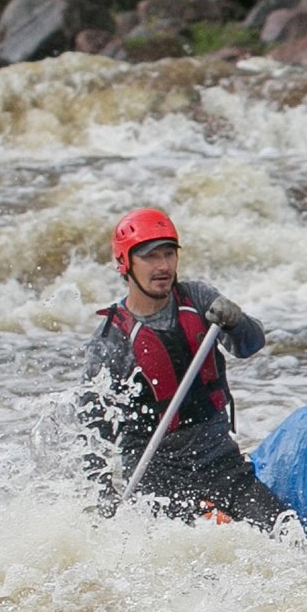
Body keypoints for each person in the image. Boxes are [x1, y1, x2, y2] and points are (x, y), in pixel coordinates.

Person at [80, 207, 291, 530]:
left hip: (222, 464)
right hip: (159, 478)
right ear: (125, 264)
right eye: (150, 257)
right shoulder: (112, 339)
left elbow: (250, 345)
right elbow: (92, 428)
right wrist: (104, 494)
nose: (163, 266)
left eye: (169, 254)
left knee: (286, 532)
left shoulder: (199, 298)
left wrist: (237, 322)